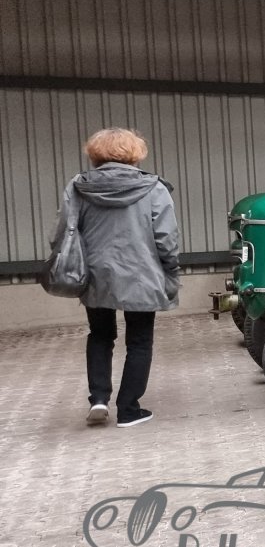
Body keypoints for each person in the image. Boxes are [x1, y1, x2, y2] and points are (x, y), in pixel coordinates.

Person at [56, 128, 181, 428]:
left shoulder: (79, 185)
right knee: (139, 340)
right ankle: (128, 409)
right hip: (142, 273)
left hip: (94, 273)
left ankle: (98, 399)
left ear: (95, 153)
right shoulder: (153, 187)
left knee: (100, 335)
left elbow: (63, 231)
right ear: (136, 153)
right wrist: (171, 270)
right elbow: (166, 238)